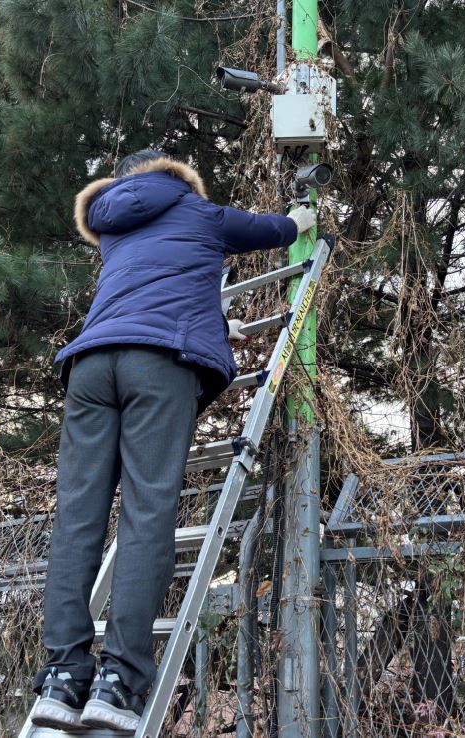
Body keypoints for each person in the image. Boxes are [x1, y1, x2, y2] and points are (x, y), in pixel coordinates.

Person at [30, 150, 314, 732]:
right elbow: (271, 231)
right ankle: (120, 681)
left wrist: (214, 320)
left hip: (89, 368)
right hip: (155, 370)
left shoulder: (114, 231)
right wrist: (304, 221)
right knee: (147, 514)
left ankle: (61, 677)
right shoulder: (200, 212)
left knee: (77, 520)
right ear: (179, 177)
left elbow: (153, 289)